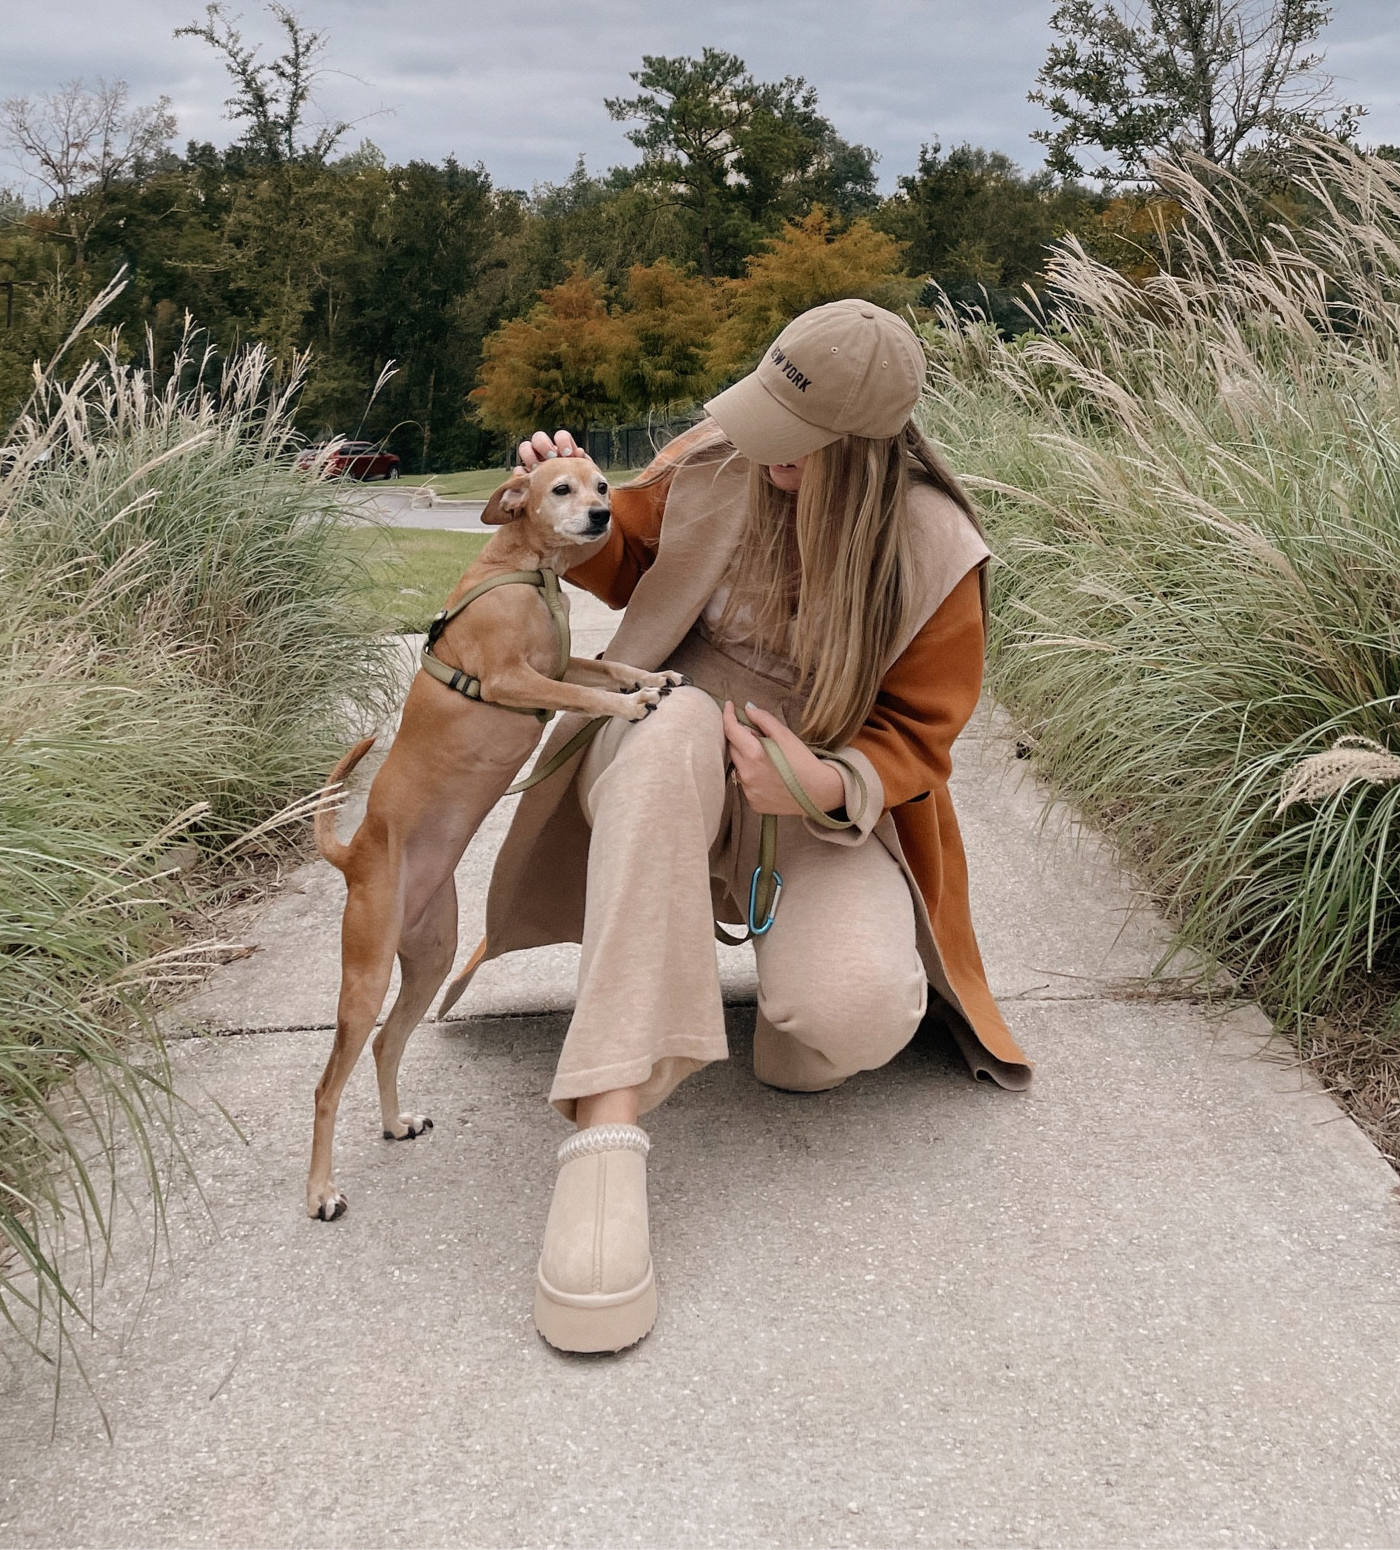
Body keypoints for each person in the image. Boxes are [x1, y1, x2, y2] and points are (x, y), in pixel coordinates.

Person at [440, 299, 1031, 1353]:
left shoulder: (934, 546)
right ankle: (605, 1122)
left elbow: (921, 734)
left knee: (852, 1016)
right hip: (659, 750)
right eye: (761, 415)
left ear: (862, 450)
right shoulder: (724, 457)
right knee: (671, 726)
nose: (764, 451)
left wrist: (822, 782)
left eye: (794, 442)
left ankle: (782, 1002)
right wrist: (566, 499)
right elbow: (627, 557)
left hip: (807, 796)